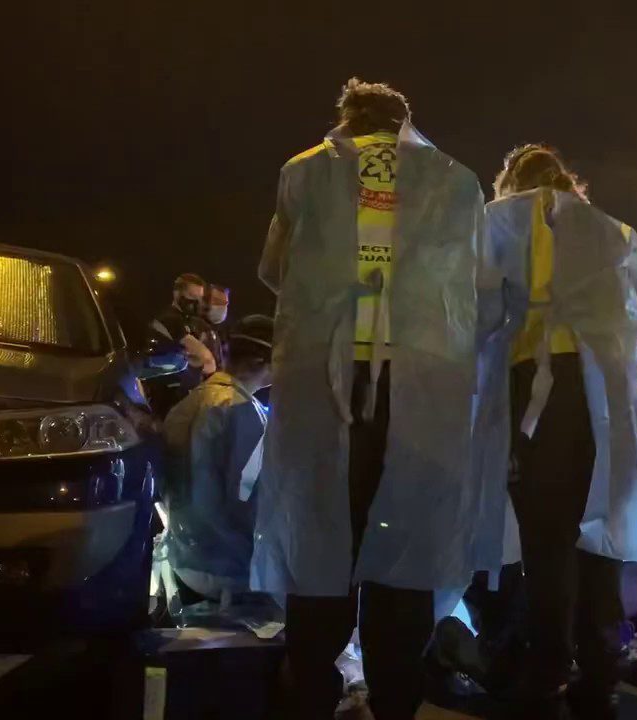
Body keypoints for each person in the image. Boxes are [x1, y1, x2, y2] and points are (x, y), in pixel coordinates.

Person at [253, 78, 485, 720]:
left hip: (327, 384)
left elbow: (276, 270)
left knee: (321, 531)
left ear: (346, 122)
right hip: (421, 393)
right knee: (402, 540)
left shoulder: (302, 173)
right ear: (406, 123)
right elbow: (473, 284)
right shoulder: (459, 182)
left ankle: (312, 691)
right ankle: (394, 697)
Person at [477, 143, 637, 719]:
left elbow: (477, 312)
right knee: (599, 537)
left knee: (547, 543)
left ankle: (546, 672)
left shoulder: (502, 220)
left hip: (539, 391)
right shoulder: (615, 232)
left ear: (511, 182)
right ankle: (599, 673)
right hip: (606, 397)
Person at [161, 315, 274, 601]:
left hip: (186, 563)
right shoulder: (242, 411)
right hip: (231, 574)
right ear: (264, 361)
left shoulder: (189, 402)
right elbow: (248, 503)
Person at [144, 273, 218, 415]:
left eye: (199, 298)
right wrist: (198, 361)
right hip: (168, 395)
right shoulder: (170, 319)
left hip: (183, 393)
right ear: (177, 294)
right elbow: (206, 359)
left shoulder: (192, 322)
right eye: (191, 295)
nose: (195, 301)